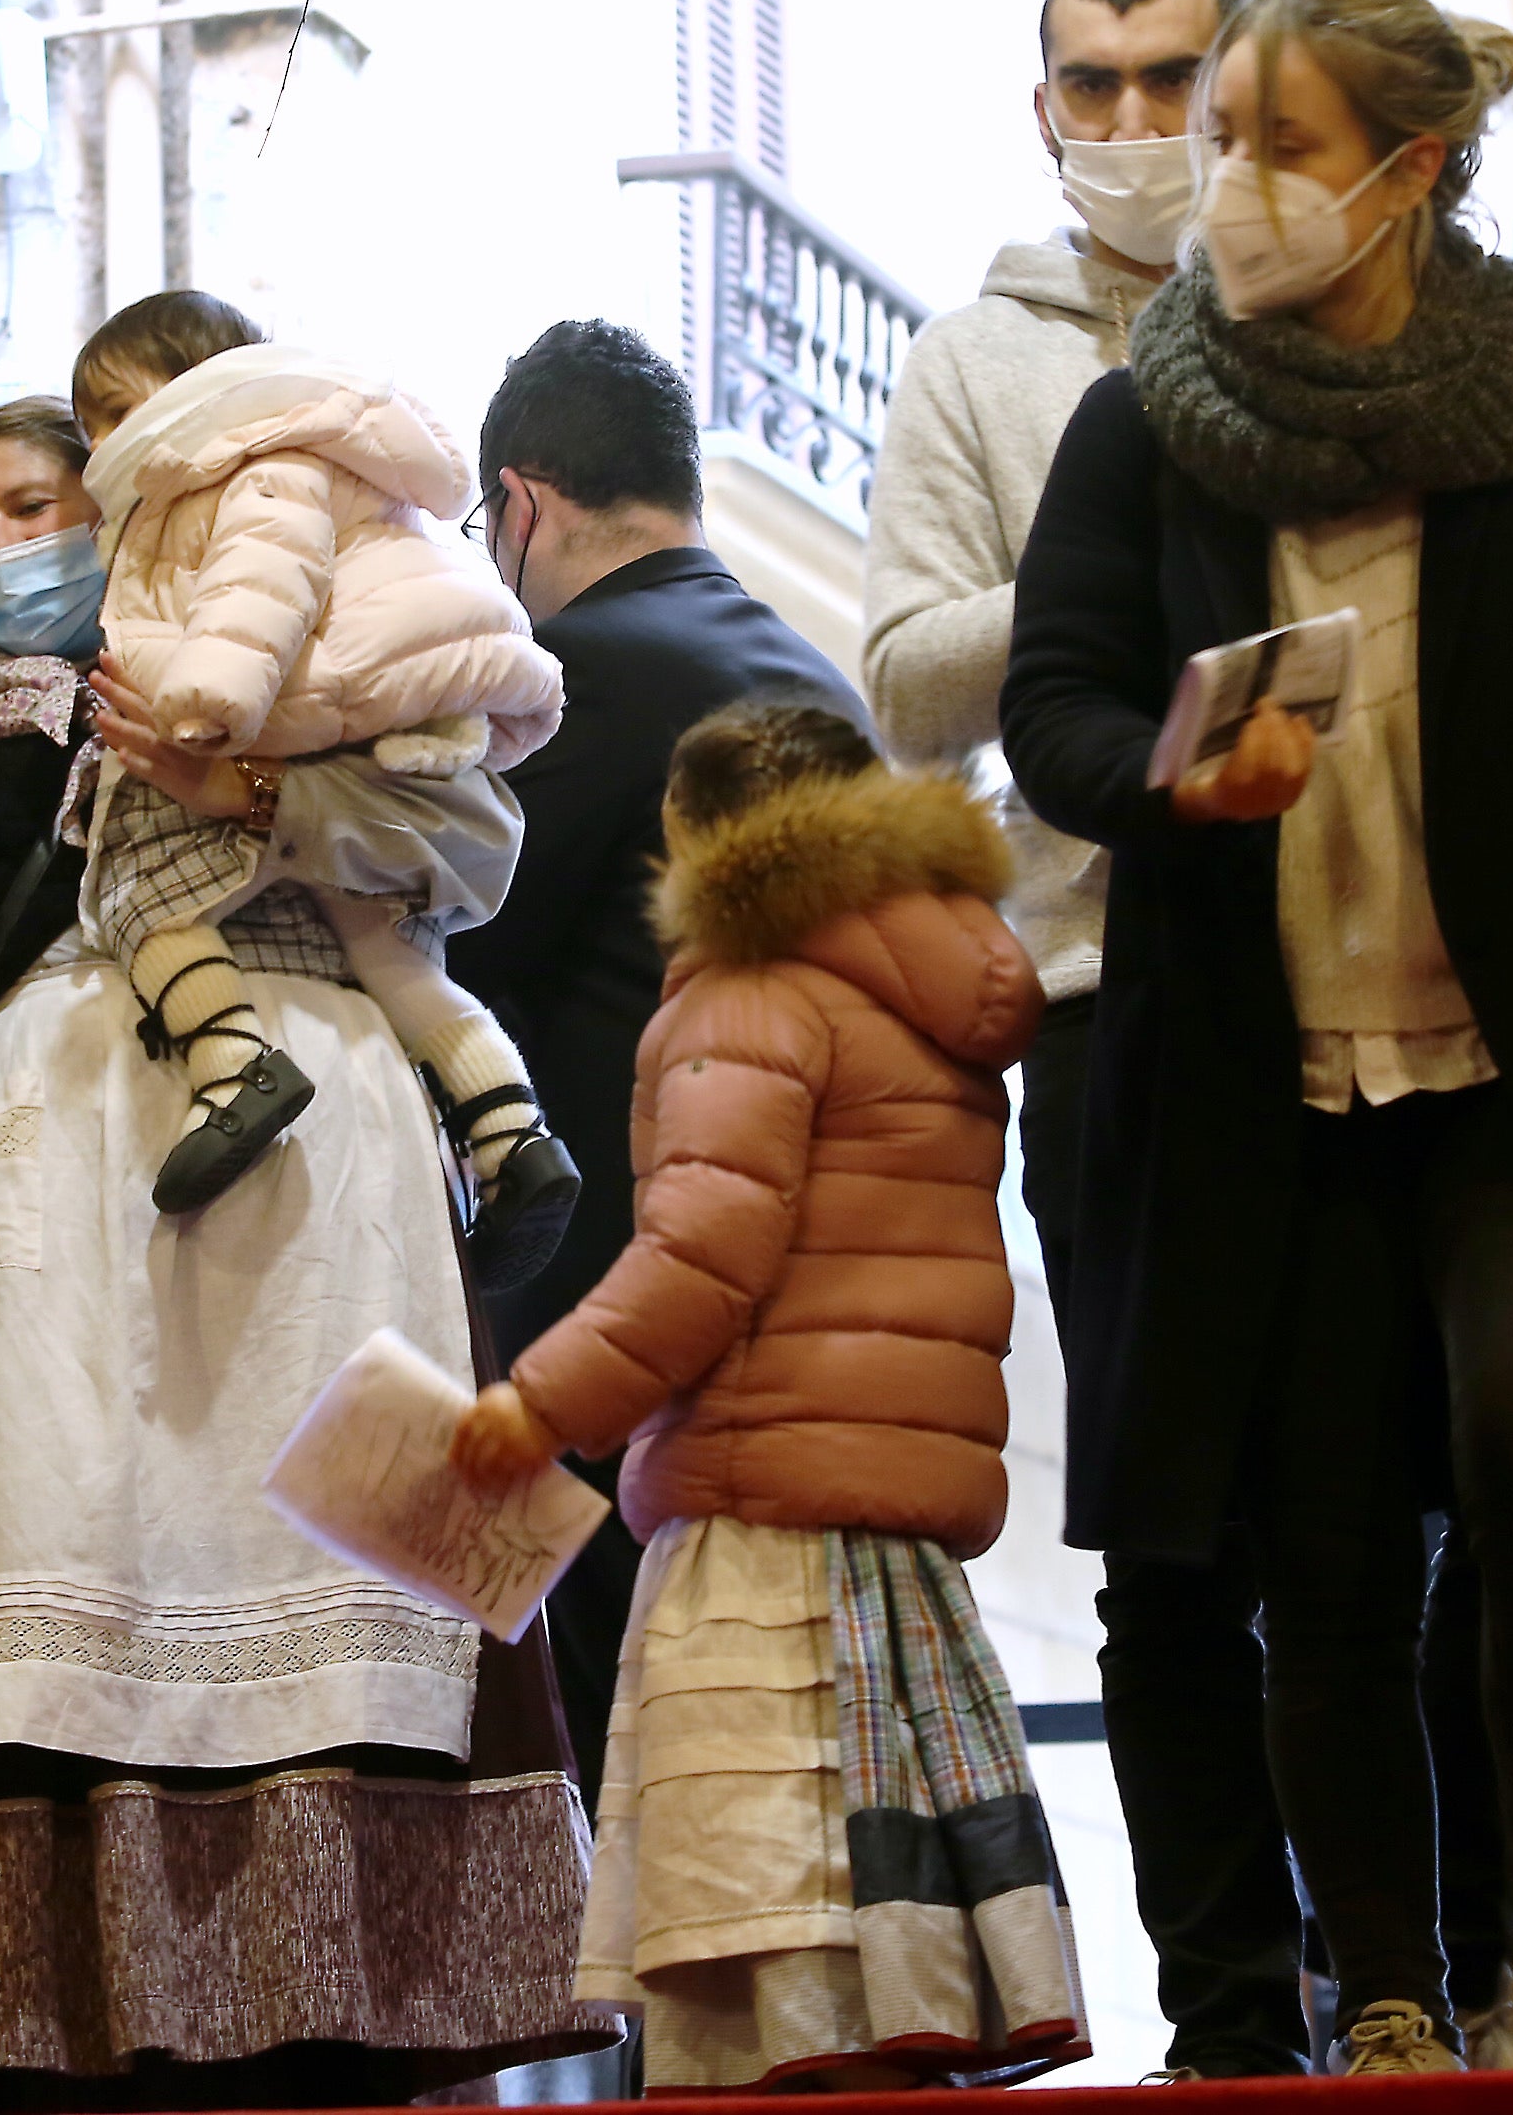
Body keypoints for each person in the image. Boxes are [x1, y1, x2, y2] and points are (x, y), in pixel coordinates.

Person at [1002, 0, 1513, 2074]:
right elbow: (1048, 705)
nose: (1216, 174)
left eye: (1269, 138)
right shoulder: (1135, 434)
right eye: (1216, 130)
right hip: (1255, 1086)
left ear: (1408, 170)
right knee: (1314, 1538)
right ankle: (1384, 1992)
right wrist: (1170, 769)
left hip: (1510, 1082)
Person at [0, 391, 602, 2109]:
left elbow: (468, 850)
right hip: (43, 1217)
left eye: (37, 507)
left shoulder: (318, 649)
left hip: (317, 1200)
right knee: (56, 1620)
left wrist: (250, 782)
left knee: (354, 1619)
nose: (7, 553)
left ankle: (356, 2030)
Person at [866, 0, 1310, 2079]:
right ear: (1039, 108)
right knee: (1165, 1526)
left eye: (1170, 79)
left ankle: (1421, 1976)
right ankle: (1233, 2015)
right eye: (1090, 87)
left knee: (1381, 1505)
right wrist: (1093, 543)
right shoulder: (975, 358)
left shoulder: (1332, 312)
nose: (1131, 125)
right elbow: (890, 684)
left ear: (1239, 86)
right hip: (1103, 981)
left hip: (1352, 961)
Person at [453, 701, 1086, 2090]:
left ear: (690, 834)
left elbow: (698, 1258)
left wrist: (539, 1401)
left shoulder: (746, 993)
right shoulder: (939, 992)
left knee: (766, 1977)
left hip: (759, 1538)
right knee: (886, 1978)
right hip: (898, 1556)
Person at [446, 319, 859, 1793]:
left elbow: (464, 948)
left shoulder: (577, 672)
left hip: (616, 1303)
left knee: (624, 1751)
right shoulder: (818, 683)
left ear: (524, 503)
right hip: (815, 1291)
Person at [67, 291, 576, 1237]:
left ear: (204, 392)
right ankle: (512, 1127)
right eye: (89, 428)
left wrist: (207, 707)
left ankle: (234, 1067)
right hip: (372, 735)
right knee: (389, 949)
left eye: (119, 415)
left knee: (146, 900)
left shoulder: (252, 465)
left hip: (319, 730)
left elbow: (260, 592)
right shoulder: (304, 463)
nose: (103, 448)